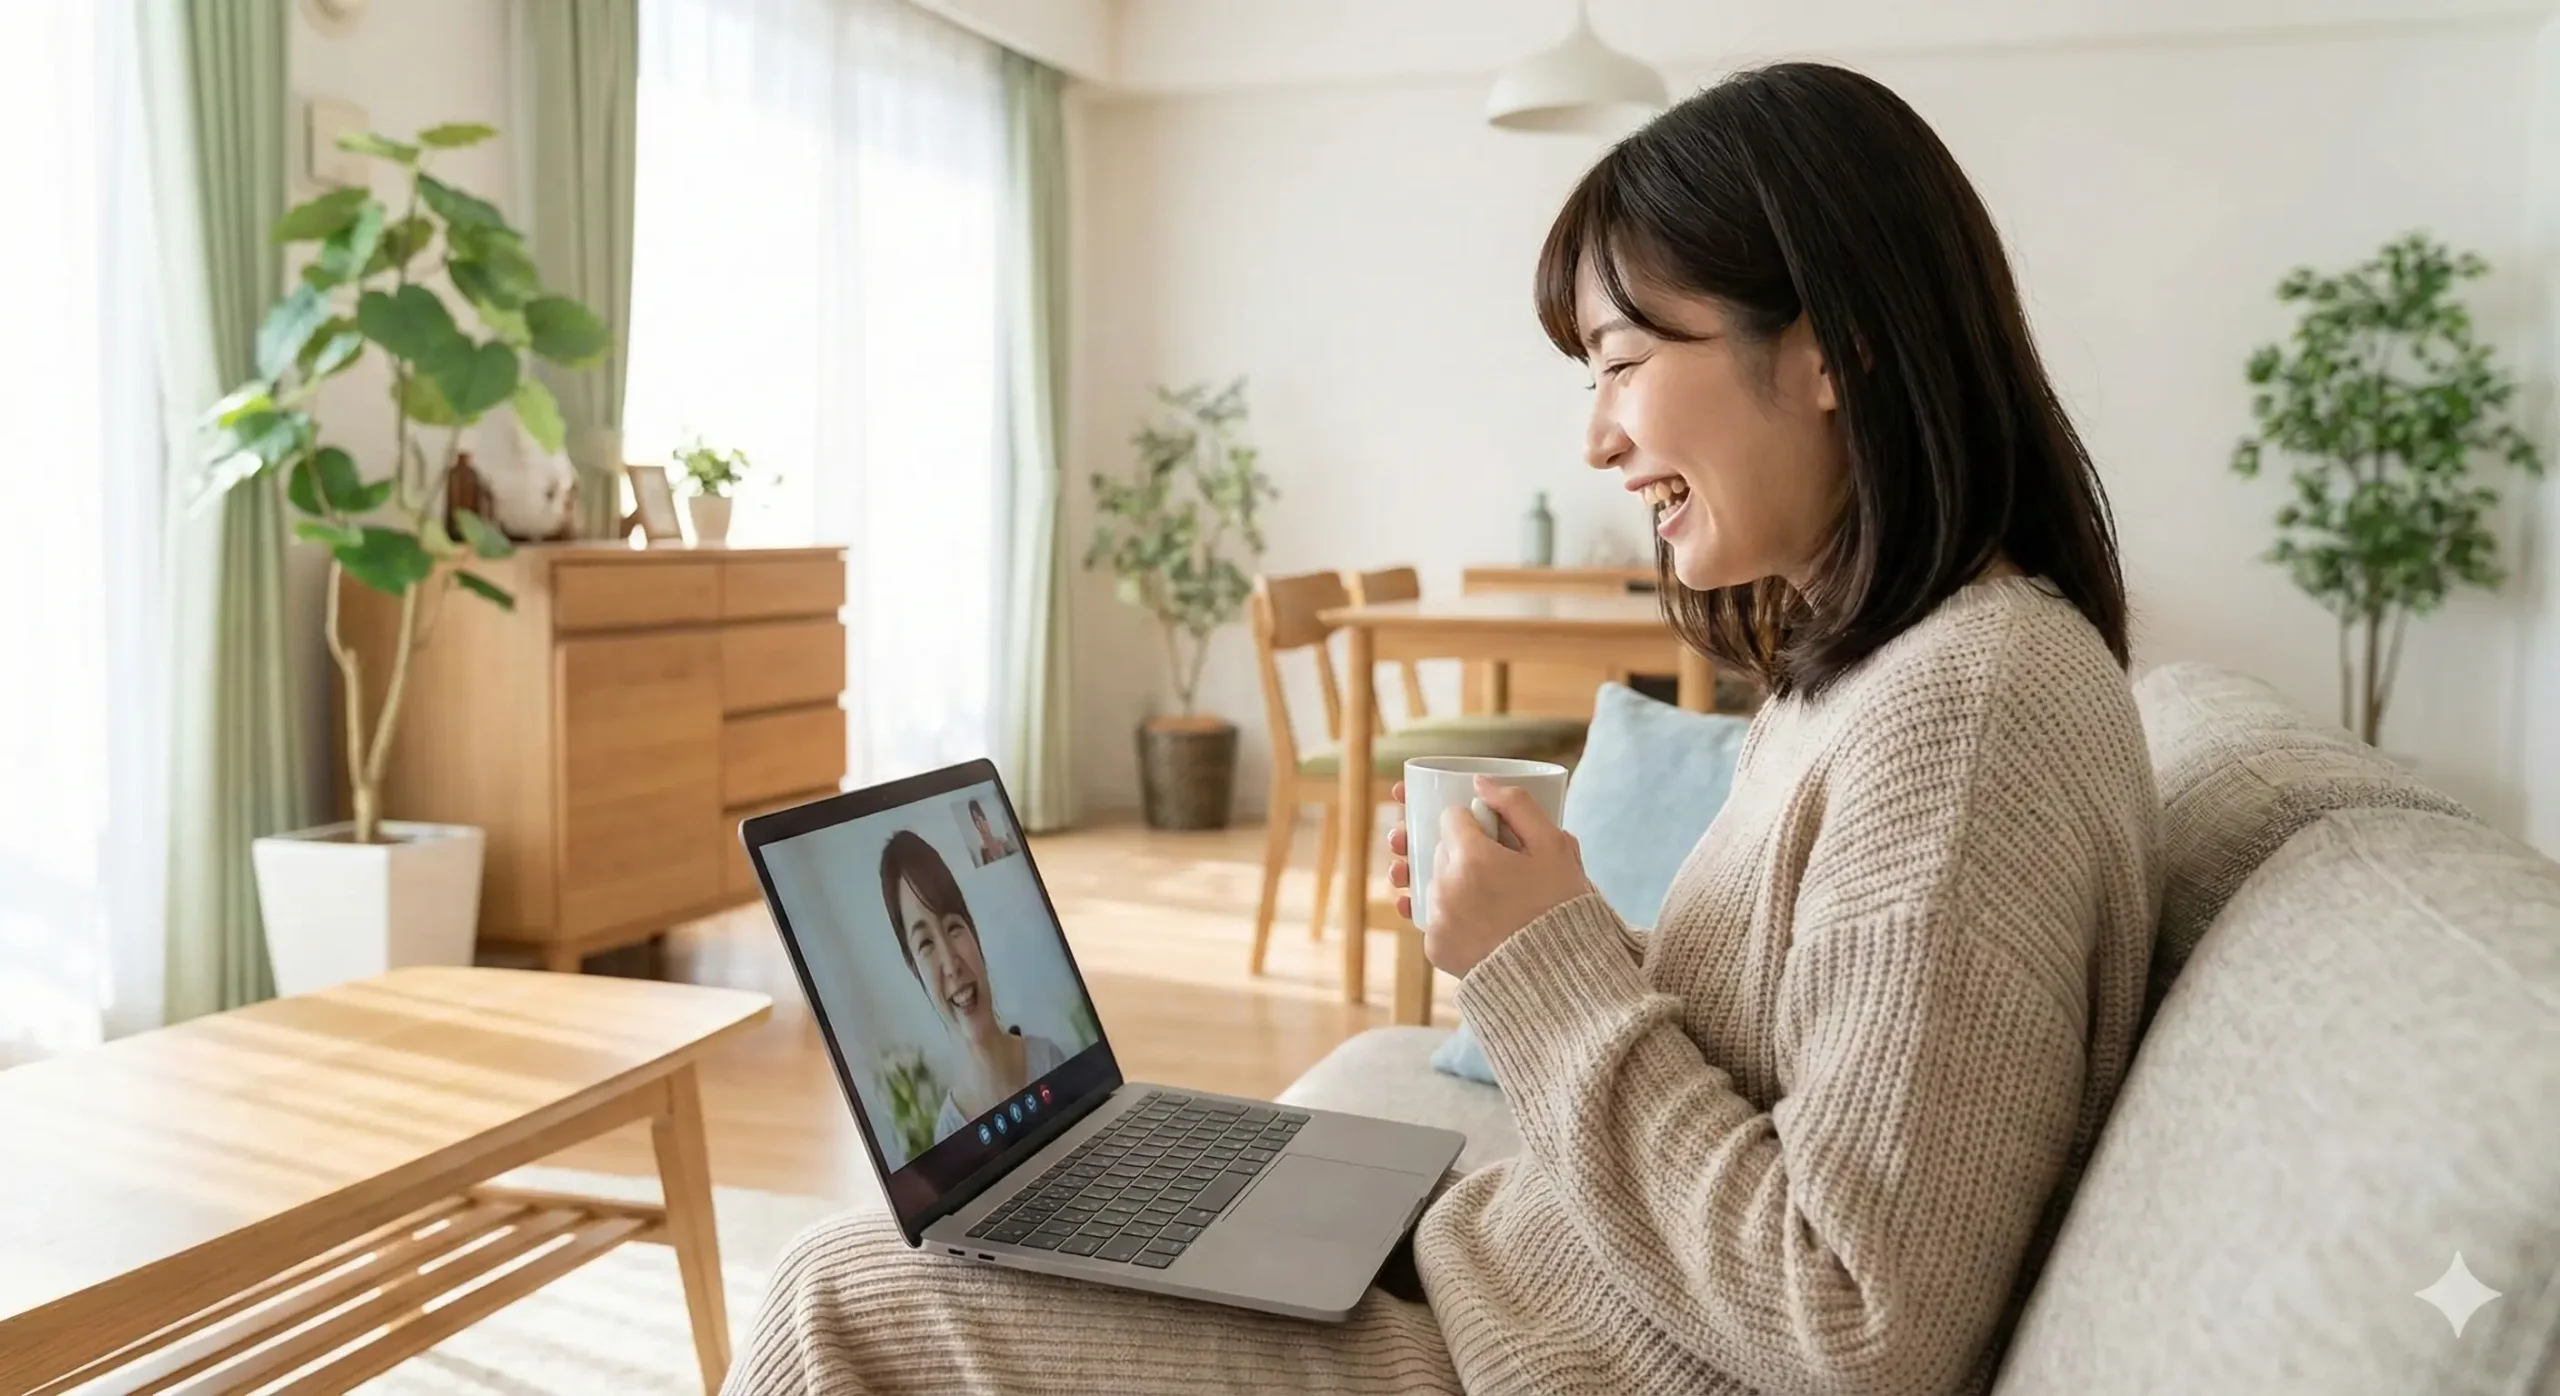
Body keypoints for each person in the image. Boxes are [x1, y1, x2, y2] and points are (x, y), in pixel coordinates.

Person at [726, 61, 2158, 1396]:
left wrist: (1548, 964)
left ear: (1831, 351)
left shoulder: (1969, 712)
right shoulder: (1875, 675)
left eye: (1620, 360)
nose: (1597, 438)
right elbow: (1808, 1049)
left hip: (1496, 1363)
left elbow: (1851, 1316)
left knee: (843, 1289)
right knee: (983, 1228)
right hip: (1515, 1282)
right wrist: (1561, 935)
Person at [876, 829, 1068, 1144]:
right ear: (915, 971)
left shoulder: (1049, 1060)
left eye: (953, 927)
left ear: (974, 936)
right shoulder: (950, 1135)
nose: (951, 965)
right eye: (925, 943)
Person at [967, 798, 1016, 866]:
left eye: (983, 818)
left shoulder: (1003, 842)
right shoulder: (982, 852)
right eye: (976, 821)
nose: (982, 824)